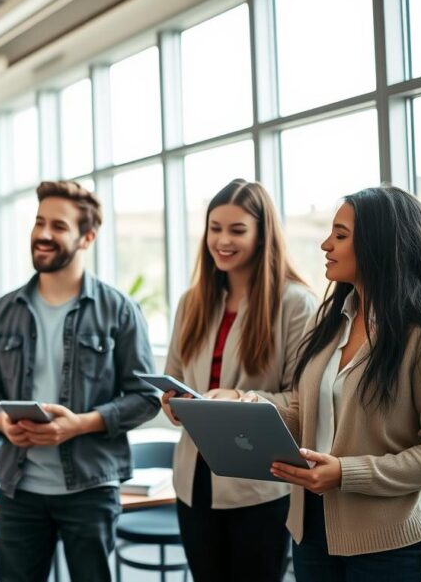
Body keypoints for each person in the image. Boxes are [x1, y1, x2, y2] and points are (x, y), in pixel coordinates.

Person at [236, 187, 421, 581]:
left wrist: (346, 473)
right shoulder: (329, 322)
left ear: (381, 243)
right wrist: (253, 411)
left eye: (341, 234)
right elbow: (308, 414)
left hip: (394, 545)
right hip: (312, 532)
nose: (325, 244)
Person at [0, 180, 160, 582]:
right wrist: (2, 421)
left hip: (90, 489)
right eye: (39, 222)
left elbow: (147, 397)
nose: (42, 234)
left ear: (87, 236)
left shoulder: (119, 310)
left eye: (58, 226)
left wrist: (81, 423)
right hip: (19, 489)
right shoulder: (4, 310)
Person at [159, 179, 317, 581]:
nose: (222, 241)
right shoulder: (192, 301)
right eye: (215, 228)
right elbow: (173, 375)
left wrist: (240, 397)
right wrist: (172, 400)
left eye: (237, 230)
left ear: (263, 235)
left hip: (259, 481)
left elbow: (302, 398)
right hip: (193, 481)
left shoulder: (295, 302)